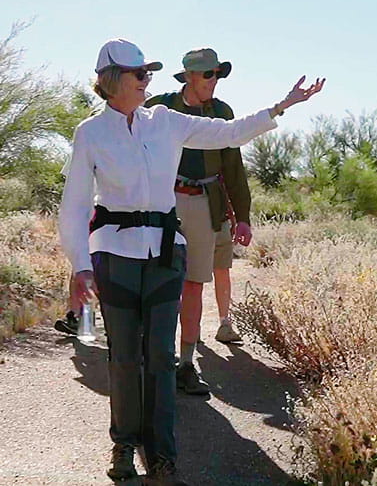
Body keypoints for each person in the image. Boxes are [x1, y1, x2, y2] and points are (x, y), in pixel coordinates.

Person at [58, 38, 324, 485]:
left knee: (160, 356)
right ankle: (123, 445)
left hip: (165, 251)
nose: (148, 82)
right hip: (115, 255)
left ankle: (162, 457)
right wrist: (81, 265)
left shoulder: (165, 122)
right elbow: (73, 204)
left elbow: (228, 133)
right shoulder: (91, 133)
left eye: (149, 74)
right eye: (140, 74)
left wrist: (282, 105)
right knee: (124, 356)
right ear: (113, 80)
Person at [145, 48, 249, 397]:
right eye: (208, 75)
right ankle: (154, 356)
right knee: (157, 281)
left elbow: (233, 166)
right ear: (188, 76)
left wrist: (243, 216)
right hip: (162, 202)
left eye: (217, 74)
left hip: (205, 204)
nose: (213, 81)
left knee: (193, 283)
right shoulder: (160, 107)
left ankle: (186, 364)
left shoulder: (221, 112)